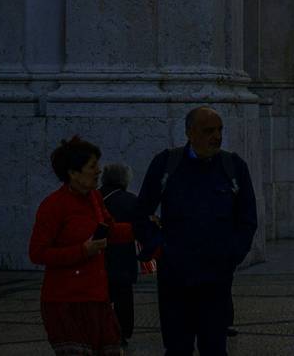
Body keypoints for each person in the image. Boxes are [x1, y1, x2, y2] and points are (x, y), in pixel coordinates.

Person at [136, 107, 258, 356]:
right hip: (175, 277)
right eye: (208, 131)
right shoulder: (166, 164)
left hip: (216, 277)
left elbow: (247, 219)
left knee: (214, 347)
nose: (216, 136)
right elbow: (141, 213)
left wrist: (232, 255)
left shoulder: (233, 166)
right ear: (190, 133)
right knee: (177, 347)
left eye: (220, 130)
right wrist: (159, 247)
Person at [30, 137, 133, 355]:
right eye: (92, 166)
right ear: (73, 173)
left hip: (97, 299)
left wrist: (143, 229)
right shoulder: (53, 206)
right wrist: (82, 251)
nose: (98, 171)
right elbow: (37, 253)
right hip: (66, 303)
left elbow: (110, 230)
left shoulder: (95, 197)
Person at [99, 163, 141, 347]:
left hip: (98, 257)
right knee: (123, 298)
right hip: (123, 258)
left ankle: (101, 332)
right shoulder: (131, 200)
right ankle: (122, 333)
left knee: (101, 299)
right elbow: (142, 229)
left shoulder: (93, 198)